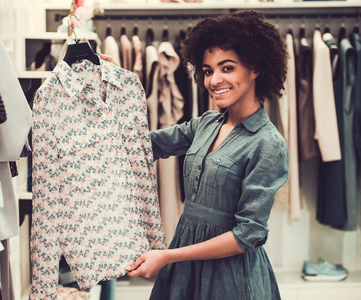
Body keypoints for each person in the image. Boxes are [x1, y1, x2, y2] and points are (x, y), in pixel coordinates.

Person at [101, 10, 289, 300]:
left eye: (227, 68)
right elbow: (142, 145)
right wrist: (115, 87)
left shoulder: (267, 143)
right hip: (184, 268)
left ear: (255, 68)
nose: (214, 80)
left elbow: (247, 235)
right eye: (208, 70)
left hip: (229, 277)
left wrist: (169, 256)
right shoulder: (206, 124)